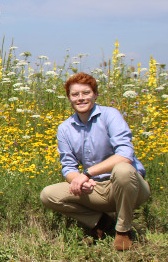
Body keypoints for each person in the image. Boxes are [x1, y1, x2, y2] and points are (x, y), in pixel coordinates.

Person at [40, 73, 150, 251]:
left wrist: (87, 174)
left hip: (129, 187)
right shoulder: (65, 128)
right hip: (96, 188)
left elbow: (125, 155)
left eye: (86, 93)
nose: (81, 98)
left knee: (122, 169)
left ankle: (123, 231)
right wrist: (78, 180)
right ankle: (102, 222)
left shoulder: (110, 115)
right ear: (69, 98)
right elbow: (68, 166)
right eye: (75, 94)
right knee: (48, 194)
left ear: (95, 94)